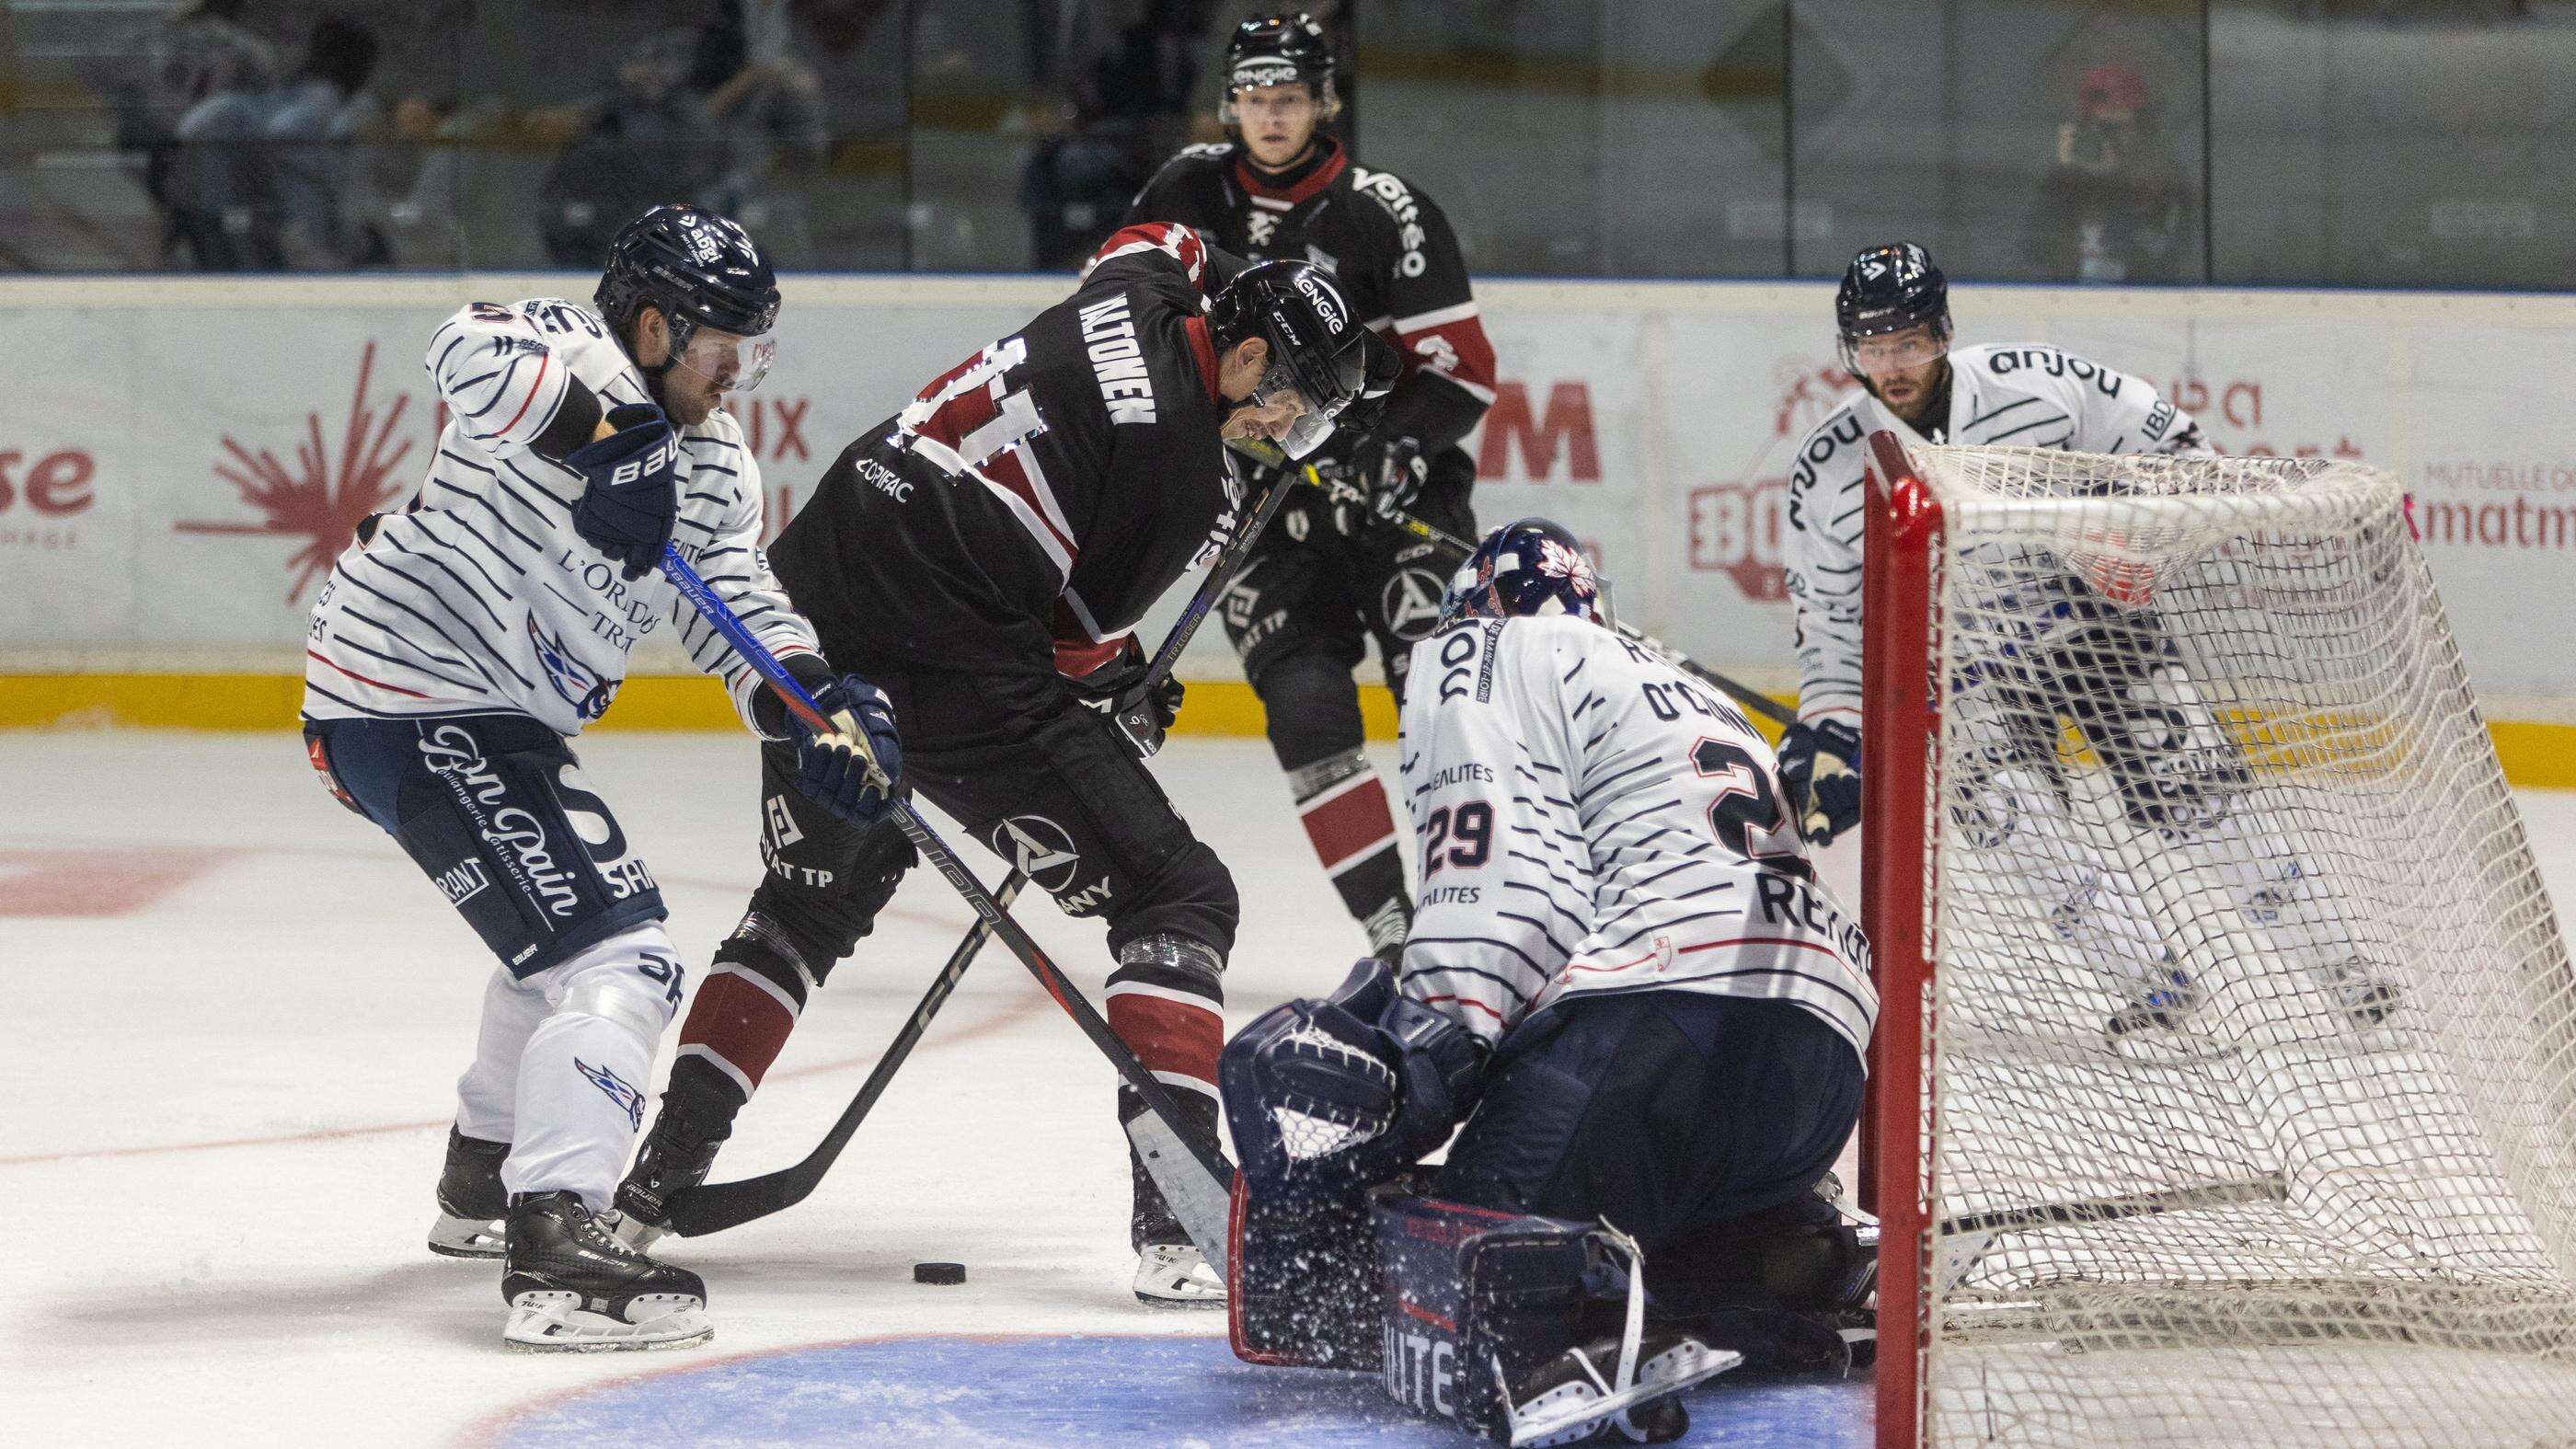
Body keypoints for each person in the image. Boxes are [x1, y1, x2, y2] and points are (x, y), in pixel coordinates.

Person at [614, 220, 1383, 1305]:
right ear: (1247, 357)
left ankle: (653, 1181)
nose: (1282, 425)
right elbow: (1068, 649)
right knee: (1177, 893)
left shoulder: (1148, 283)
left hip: (811, 598)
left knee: (808, 903)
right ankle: (1181, 1225)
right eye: (1288, 399)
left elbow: (1152, 231)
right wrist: (1121, 686)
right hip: (946, 658)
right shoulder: (1177, 471)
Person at [300, 203, 897, 1351]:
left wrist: (817, 703)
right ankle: (559, 1238)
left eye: (753, 353)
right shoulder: (555, 347)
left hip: (489, 722)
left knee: (560, 949)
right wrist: (603, 436)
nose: (738, 376)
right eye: (724, 348)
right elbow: (457, 347)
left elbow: (738, 612)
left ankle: (484, 1180)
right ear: (654, 323)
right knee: (621, 954)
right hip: (407, 689)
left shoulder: (716, 464)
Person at [1219, 519, 1878, 1443]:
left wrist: (1434, 1045)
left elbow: (1509, 877)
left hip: (1659, 1033)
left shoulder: (1482, 647)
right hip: (1819, 1078)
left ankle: (1550, 1345)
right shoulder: (1686, 692)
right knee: (1636, 1201)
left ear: (1473, 607)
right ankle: (1780, 1262)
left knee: (1459, 1262)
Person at [1778, 241, 2397, 1041]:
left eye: (1911, 342)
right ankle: (2153, 982)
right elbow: (1828, 623)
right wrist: (1829, 730)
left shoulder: (2038, 383)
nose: (1892, 365)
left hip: (2092, 626)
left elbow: (2179, 451)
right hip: (1962, 665)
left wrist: (2141, 543)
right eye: (1872, 345)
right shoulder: (1827, 467)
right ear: (1848, 350)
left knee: (2200, 797)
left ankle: (2345, 970)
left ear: (1943, 332)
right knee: (2007, 814)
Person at [1124, 11, 1499, 965]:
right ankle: (1396, 939)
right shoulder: (1180, 190)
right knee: (1307, 715)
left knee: (1440, 700)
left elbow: (1460, 369)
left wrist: (1393, 449)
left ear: (1326, 102)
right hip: (1256, 506)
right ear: (1228, 104)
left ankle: (1482, 915)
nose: (1272, 116)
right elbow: (1119, 321)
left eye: (1289, 98)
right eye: (1253, 98)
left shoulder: (1385, 208)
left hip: (1388, 499)